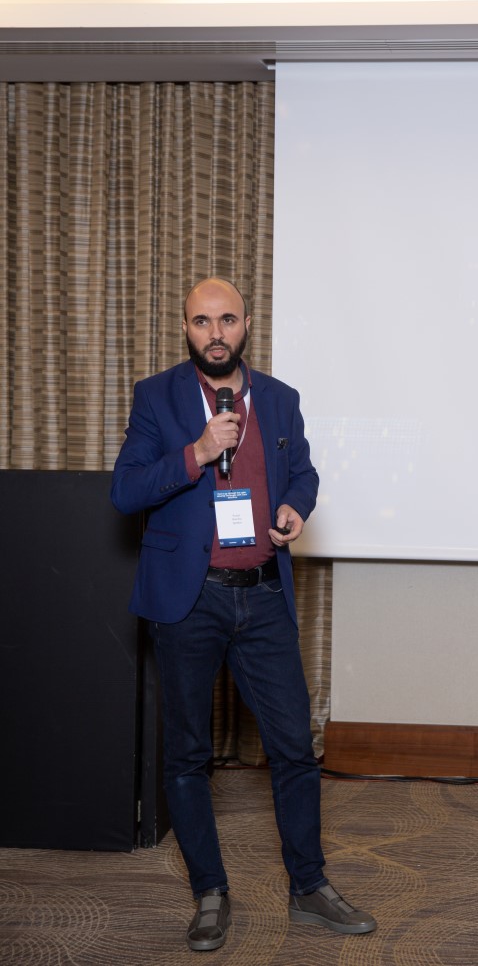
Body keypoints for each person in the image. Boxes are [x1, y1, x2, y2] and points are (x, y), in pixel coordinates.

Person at [111, 276, 376, 952]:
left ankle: (309, 887)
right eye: (202, 322)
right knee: (187, 756)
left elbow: (303, 474)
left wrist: (295, 506)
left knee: (293, 748)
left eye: (227, 319)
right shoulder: (156, 396)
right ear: (186, 328)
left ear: (247, 325)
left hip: (262, 597)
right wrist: (197, 453)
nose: (215, 333)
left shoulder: (280, 400)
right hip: (189, 598)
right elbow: (126, 490)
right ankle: (209, 891)